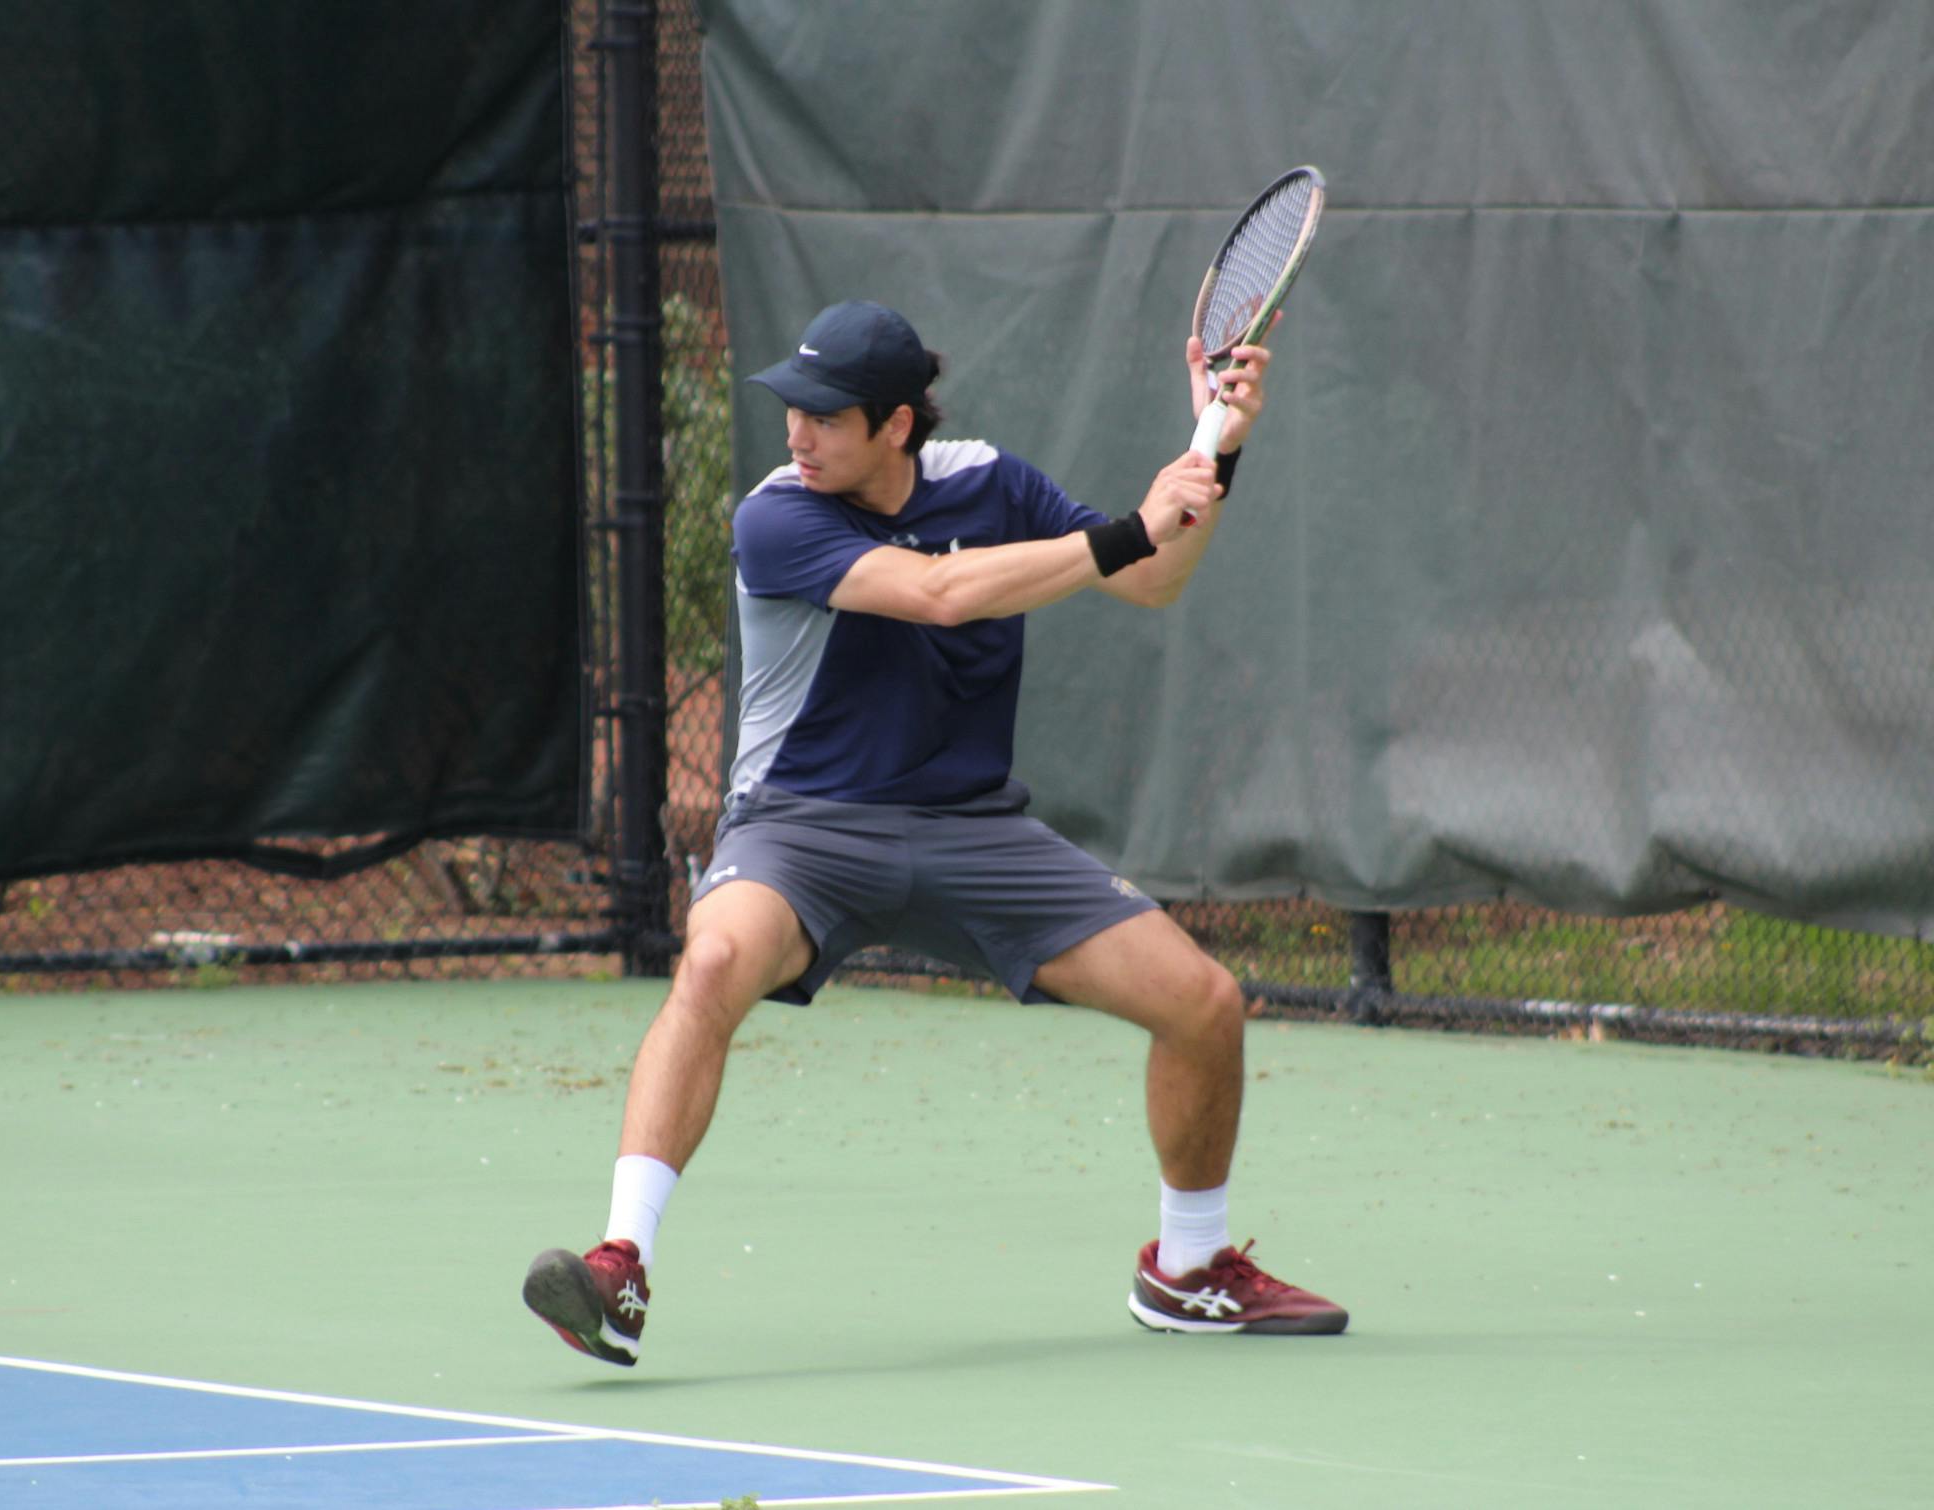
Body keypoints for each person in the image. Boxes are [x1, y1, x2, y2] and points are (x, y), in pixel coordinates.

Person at [522, 300, 1347, 1366]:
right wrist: (1127, 527)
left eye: (825, 415)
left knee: (1204, 1005)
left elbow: (1152, 578)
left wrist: (1216, 460)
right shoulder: (777, 516)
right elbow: (941, 592)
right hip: (802, 827)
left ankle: (1186, 1272)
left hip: (970, 832)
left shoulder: (992, 484)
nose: (797, 433)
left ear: (897, 423)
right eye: (792, 409)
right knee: (713, 959)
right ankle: (616, 1268)